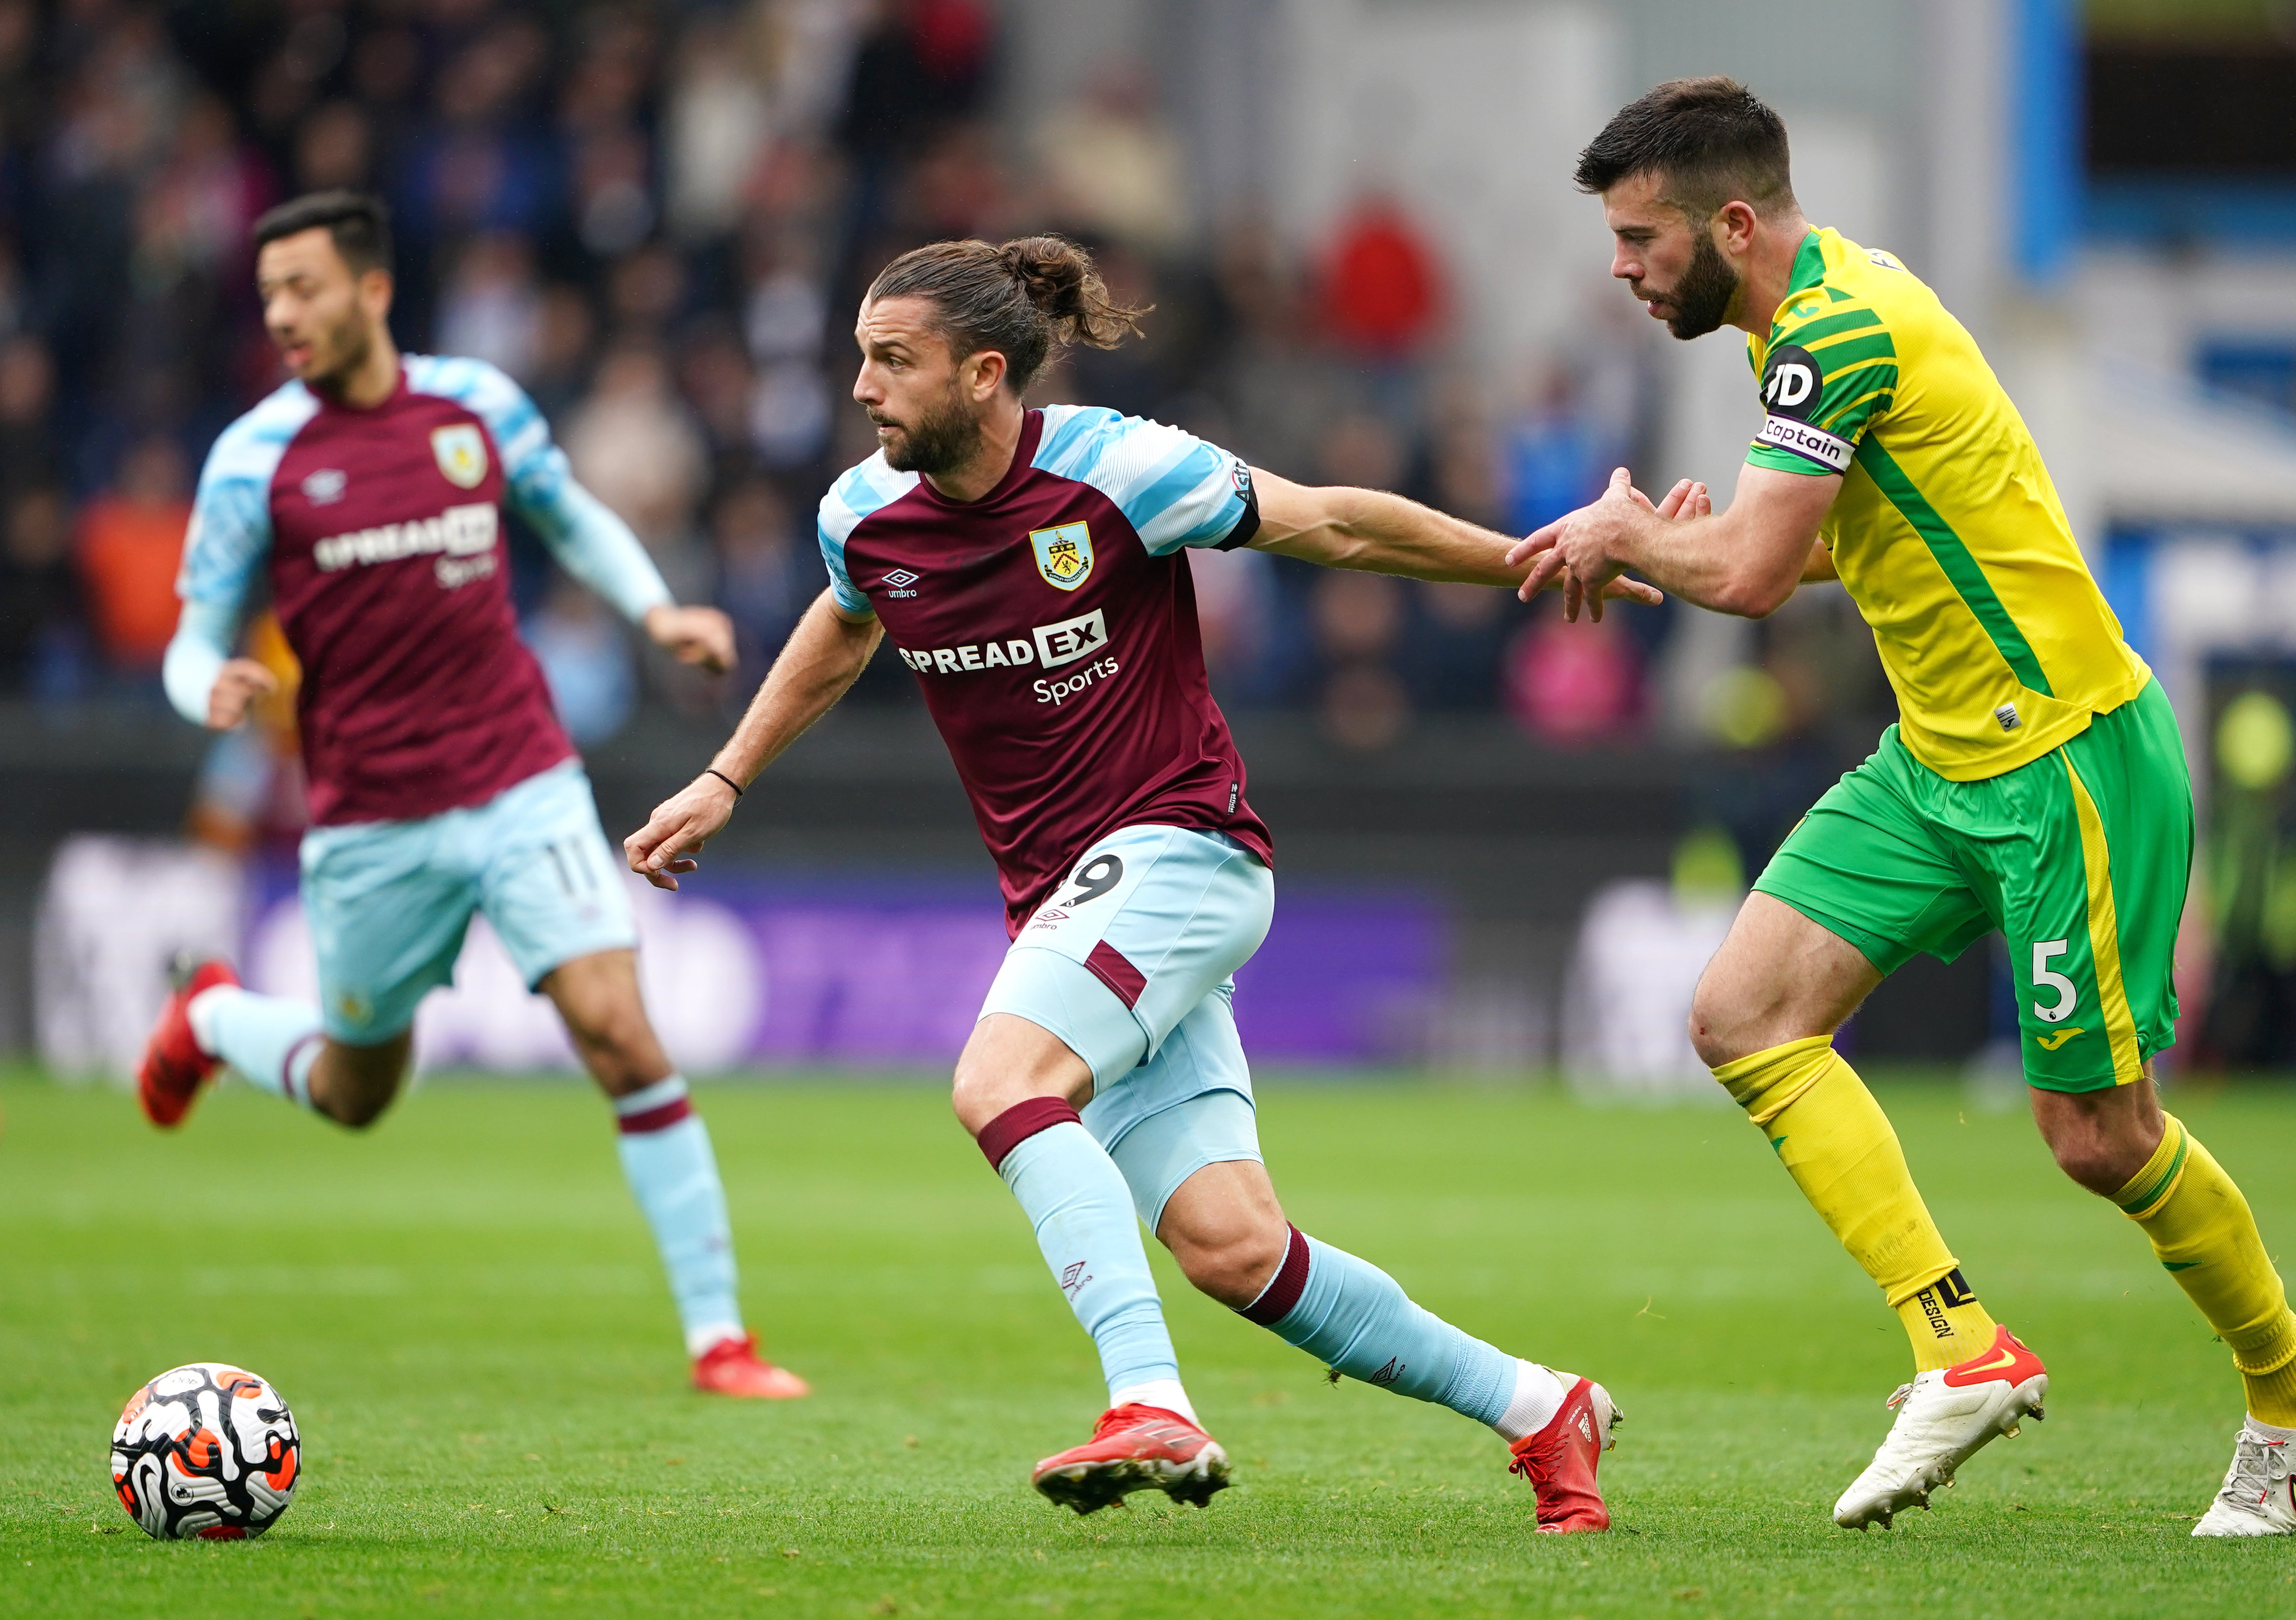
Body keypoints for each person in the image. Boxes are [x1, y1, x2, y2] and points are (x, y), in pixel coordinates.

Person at [624, 236, 1665, 1530]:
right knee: (1235, 1249)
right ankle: (1538, 1405)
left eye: (892, 361)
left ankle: (1148, 1402)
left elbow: (1333, 520)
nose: (862, 388)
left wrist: (1528, 554)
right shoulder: (864, 518)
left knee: (999, 1084)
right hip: (1075, 899)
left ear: (985, 373)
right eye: (860, 359)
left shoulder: (1119, 469)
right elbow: (846, 623)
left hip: (1183, 847)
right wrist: (725, 778)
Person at [1512, 78, 2296, 1538]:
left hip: (2063, 764)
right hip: (1939, 760)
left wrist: (1636, 531)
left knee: (2096, 1135)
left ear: (1729, 221)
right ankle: (1959, 1345)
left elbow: (1761, 583)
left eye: (1643, 238)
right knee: (1741, 1014)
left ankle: (2294, 1388)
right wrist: (1707, 542)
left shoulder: (1834, 331)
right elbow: (1870, 540)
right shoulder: (1821, 311)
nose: (1623, 269)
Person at [134, 191, 807, 1401]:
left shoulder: (476, 407)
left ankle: (722, 1341)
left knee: (619, 1028)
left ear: (371, 289)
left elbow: (571, 516)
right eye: (270, 293)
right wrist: (210, 688)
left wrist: (655, 609)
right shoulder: (255, 458)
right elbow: (192, 640)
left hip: (519, 777)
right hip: (372, 816)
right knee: (355, 1089)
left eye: (304, 287)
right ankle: (214, 1023)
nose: (282, 313)